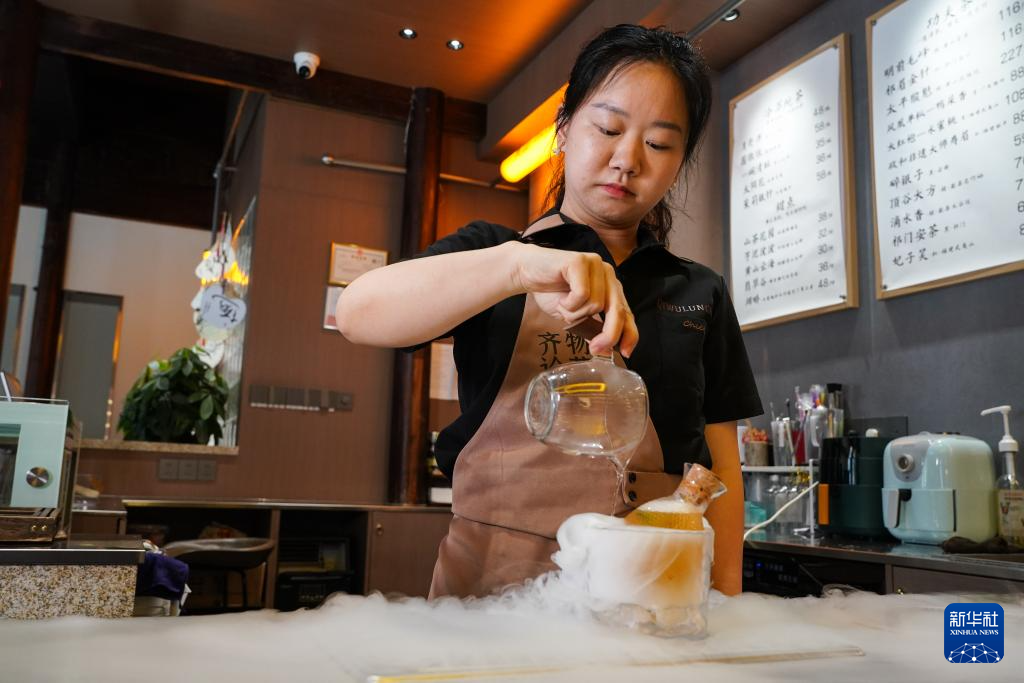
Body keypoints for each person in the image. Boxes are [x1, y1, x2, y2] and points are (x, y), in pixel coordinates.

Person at [337, 24, 762, 598]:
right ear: (563, 130)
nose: (627, 160)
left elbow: (722, 467)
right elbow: (358, 312)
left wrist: (728, 599)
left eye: (659, 145)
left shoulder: (699, 290)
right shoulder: (494, 253)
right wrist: (515, 267)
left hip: (656, 591)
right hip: (494, 592)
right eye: (608, 129)